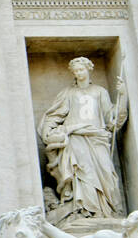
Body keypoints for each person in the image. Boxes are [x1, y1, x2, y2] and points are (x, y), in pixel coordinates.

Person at [38, 57, 127, 217]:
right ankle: (85, 210)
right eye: (76, 71)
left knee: (106, 172)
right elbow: (55, 115)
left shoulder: (100, 92)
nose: (79, 73)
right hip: (76, 137)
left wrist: (123, 95)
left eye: (81, 69)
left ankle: (105, 210)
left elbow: (111, 118)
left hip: (97, 137)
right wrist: (50, 131)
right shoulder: (68, 93)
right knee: (82, 172)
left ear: (88, 70)